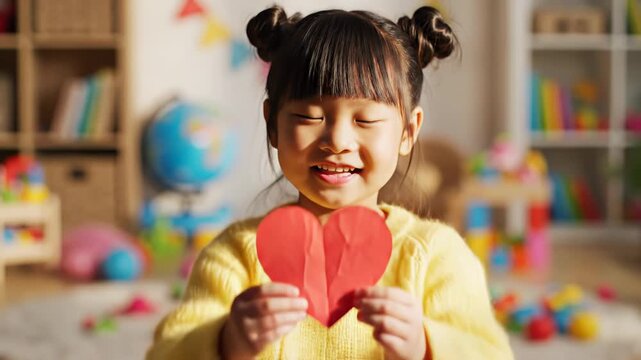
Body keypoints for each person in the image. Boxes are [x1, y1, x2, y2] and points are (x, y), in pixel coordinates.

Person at [147, 4, 513, 360]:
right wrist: (226, 343)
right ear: (273, 124)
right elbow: (167, 352)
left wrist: (426, 346)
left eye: (365, 120)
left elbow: (489, 352)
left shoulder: (436, 255)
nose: (336, 141)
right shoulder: (235, 256)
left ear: (408, 131)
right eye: (309, 116)